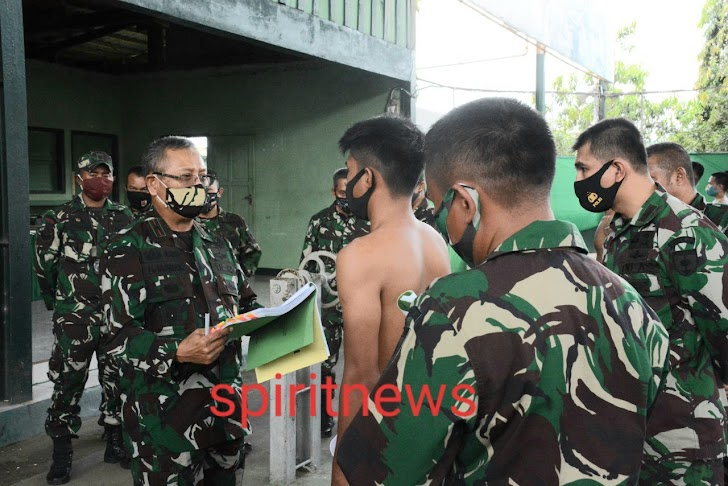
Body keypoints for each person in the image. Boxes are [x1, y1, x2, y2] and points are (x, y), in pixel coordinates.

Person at [335, 98, 669, 485]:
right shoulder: (634, 306)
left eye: (442, 206)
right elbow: (665, 454)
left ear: (466, 203)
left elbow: (383, 473)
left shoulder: (453, 312)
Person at [573, 118, 728, 484]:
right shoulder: (617, 232)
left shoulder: (689, 233)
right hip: (629, 435)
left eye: (583, 168)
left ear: (616, 170)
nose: (578, 181)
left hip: (683, 442)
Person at [101, 136, 257, 485]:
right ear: (154, 184)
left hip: (224, 405)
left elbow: (245, 302)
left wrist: (277, 320)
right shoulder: (128, 246)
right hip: (163, 417)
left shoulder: (218, 242)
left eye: (200, 177)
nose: (197, 185)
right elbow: (116, 335)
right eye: (186, 178)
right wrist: (177, 351)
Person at [331, 115, 451, 485]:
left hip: (382, 433)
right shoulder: (435, 241)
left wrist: (343, 466)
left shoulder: (360, 254)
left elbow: (361, 373)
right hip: (430, 419)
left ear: (367, 178)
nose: (349, 183)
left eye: (351, 172)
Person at [34, 151, 133, 484]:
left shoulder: (123, 215)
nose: (100, 179)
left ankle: (115, 440)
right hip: (74, 318)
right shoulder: (58, 217)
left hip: (115, 316)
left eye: (106, 173)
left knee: (116, 378)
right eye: (93, 173)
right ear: (79, 178)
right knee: (68, 381)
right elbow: (44, 267)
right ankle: (62, 451)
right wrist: (61, 302)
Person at [299, 167, 369, 437]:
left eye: (352, 193)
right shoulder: (318, 221)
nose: (347, 199)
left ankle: (361, 418)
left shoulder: (369, 222)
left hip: (361, 304)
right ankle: (325, 417)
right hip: (326, 306)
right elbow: (305, 262)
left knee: (363, 363)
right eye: (342, 194)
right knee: (325, 364)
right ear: (333, 192)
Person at [648, 142, 728, 234]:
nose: (645, 186)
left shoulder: (723, 219)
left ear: (679, 176)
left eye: (651, 178)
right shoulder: (646, 220)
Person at [198, 170, 262, 277]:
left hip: (229, 286)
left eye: (209, 191)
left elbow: (253, 252)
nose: (205, 196)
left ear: (219, 192)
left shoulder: (235, 222)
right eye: (201, 191)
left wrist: (239, 278)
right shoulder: (186, 223)